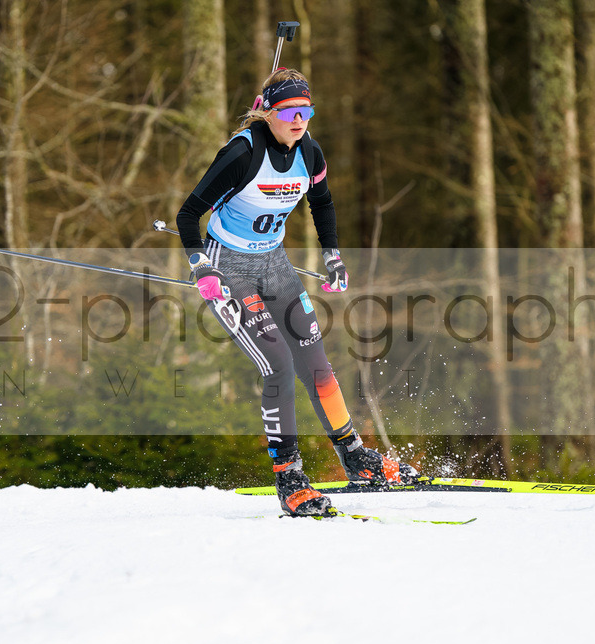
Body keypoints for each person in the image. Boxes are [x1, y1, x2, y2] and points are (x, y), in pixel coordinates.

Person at [176, 68, 419, 516]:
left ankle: (356, 458)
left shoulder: (310, 152)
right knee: (278, 362)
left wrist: (333, 257)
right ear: (267, 111)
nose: (299, 119)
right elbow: (188, 213)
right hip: (229, 267)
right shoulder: (241, 154)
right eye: (289, 111)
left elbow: (321, 202)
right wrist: (200, 265)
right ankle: (289, 477)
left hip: (275, 265)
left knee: (316, 362)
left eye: (306, 111)